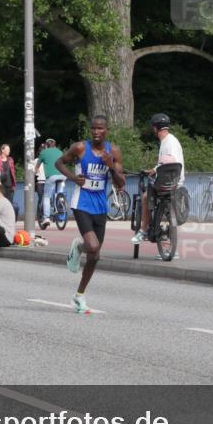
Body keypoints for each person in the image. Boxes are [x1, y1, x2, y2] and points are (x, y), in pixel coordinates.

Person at [55, 116, 126, 314]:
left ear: (107, 131)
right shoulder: (80, 148)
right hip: (82, 203)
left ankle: (79, 295)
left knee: (95, 256)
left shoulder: (113, 151)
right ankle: (80, 245)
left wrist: (111, 166)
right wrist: (72, 178)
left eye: (100, 128)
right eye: (93, 128)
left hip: (100, 206)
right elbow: (59, 162)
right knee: (93, 246)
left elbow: (121, 183)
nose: (96, 132)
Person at [132, 113, 185, 244]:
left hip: (167, 182)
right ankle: (171, 245)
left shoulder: (167, 143)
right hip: (176, 182)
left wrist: (155, 172)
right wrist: (155, 169)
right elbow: (168, 163)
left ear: (155, 128)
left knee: (145, 197)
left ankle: (142, 231)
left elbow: (169, 162)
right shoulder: (171, 140)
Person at [39, 138, 66, 227]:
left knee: (46, 196)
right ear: (55, 145)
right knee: (59, 192)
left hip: (51, 177)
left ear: (46, 145)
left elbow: (37, 166)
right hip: (63, 176)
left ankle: (46, 218)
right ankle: (61, 204)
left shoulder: (44, 152)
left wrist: (34, 172)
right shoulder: (60, 152)